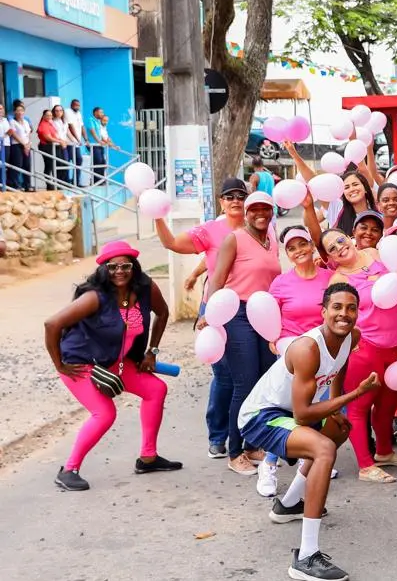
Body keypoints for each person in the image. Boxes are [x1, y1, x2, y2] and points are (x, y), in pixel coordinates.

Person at [238, 283, 378, 581]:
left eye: (351, 308)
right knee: (324, 449)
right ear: (324, 311)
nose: (344, 313)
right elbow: (302, 415)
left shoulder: (351, 336)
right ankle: (306, 556)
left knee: (339, 432)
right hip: (263, 416)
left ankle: (288, 504)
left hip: (293, 410)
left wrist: (336, 411)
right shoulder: (306, 349)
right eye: (337, 307)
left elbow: (340, 366)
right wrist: (354, 395)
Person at [44, 241, 179, 491]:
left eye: (125, 266)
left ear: (134, 267)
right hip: (80, 363)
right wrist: (60, 365)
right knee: (104, 413)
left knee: (155, 389)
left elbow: (163, 313)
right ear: (104, 269)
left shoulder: (146, 288)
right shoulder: (94, 298)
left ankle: (148, 457)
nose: (120, 271)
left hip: (115, 362)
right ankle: (68, 470)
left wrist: (152, 351)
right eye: (113, 266)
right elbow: (52, 324)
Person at [156, 177, 249, 458]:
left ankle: (248, 435)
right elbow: (173, 243)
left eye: (240, 196)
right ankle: (218, 436)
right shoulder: (210, 230)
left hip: (250, 308)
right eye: (229, 196)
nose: (235, 201)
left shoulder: (260, 227)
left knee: (250, 375)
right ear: (221, 201)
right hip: (217, 307)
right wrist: (157, 216)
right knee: (224, 375)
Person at [321, 228, 397, 483]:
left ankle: (384, 451)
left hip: (394, 344)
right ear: (330, 257)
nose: (339, 247)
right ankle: (365, 464)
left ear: (349, 238)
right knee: (360, 406)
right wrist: (349, 343)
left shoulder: (374, 254)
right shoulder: (339, 279)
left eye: (340, 240)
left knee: (387, 404)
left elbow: (394, 284)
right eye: (331, 248)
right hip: (366, 347)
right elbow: (335, 316)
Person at [206, 191, 283, 475]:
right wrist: (208, 315)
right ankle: (235, 451)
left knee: (263, 383)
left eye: (266, 209)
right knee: (245, 383)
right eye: (255, 209)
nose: (261, 213)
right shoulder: (234, 238)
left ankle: (252, 445)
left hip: (265, 314)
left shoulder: (272, 238)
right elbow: (218, 277)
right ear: (246, 212)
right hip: (237, 313)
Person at [260, 224, 332, 496]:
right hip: (292, 353)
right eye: (292, 248)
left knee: (315, 408)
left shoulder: (329, 277)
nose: (299, 250)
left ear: (312, 246)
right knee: (286, 409)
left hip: (323, 353)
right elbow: (269, 318)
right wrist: (275, 340)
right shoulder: (281, 283)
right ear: (287, 253)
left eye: (303, 244)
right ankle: (268, 463)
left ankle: (308, 457)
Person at [85, 107, 119, 185]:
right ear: (95, 113)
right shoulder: (91, 120)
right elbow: (93, 132)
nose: (102, 114)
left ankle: (101, 180)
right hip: (94, 145)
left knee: (102, 162)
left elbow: (104, 136)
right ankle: (96, 181)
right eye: (101, 112)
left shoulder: (98, 122)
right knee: (97, 162)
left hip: (99, 145)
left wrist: (113, 145)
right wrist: (99, 141)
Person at [9, 102, 32, 192]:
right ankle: (14, 185)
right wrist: (24, 144)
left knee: (27, 165)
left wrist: (28, 144)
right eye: (18, 110)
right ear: (14, 112)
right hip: (17, 145)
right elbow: (14, 134)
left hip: (27, 145)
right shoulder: (12, 121)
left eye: (21, 110)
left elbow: (29, 133)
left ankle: (27, 185)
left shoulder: (26, 122)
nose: (20, 112)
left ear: (24, 112)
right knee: (17, 165)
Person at [66, 99, 86, 187]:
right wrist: (77, 139)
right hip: (69, 142)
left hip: (76, 143)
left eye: (78, 105)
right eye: (75, 105)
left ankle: (76, 182)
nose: (77, 107)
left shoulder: (78, 113)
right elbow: (70, 126)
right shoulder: (67, 112)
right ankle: (67, 182)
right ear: (71, 105)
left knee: (78, 160)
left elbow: (82, 126)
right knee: (67, 161)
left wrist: (86, 139)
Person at [51, 104, 72, 186]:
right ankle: (59, 183)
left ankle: (65, 182)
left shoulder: (64, 122)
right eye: (56, 111)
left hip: (64, 145)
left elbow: (68, 132)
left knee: (66, 163)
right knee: (58, 164)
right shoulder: (52, 122)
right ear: (54, 112)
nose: (59, 112)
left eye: (60, 110)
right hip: (56, 144)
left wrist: (75, 140)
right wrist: (61, 141)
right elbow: (54, 133)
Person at [36, 108, 57, 189]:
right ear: (44, 116)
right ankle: (49, 184)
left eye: (51, 115)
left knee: (51, 165)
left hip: (51, 146)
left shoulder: (50, 123)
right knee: (49, 165)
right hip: (45, 146)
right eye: (47, 115)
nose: (49, 117)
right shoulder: (43, 125)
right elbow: (48, 138)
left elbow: (55, 134)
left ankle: (52, 184)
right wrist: (60, 141)